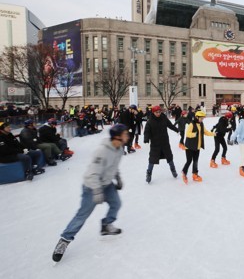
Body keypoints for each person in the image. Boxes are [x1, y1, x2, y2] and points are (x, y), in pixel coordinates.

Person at [52, 124, 129, 262]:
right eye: (125, 134)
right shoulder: (102, 151)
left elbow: (114, 166)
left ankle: (106, 225)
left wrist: (118, 178)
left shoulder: (119, 149)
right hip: (91, 186)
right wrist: (97, 191)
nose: (127, 136)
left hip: (107, 184)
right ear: (117, 136)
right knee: (82, 215)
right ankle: (64, 240)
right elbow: (93, 174)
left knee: (116, 204)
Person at [143, 105, 179, 183]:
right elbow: (147, 131)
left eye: (159, 112)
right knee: (152, 159)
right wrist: (146, 139)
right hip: (155, 144)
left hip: (165, 142)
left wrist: (177, 130)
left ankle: (173, 170)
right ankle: (149, 173)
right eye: (157, 112)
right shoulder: (150, 121)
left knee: (169, 158)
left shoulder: (164, 118)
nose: (158, 113)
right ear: (153, 112)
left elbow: (170, 125)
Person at [181, 111, 214, 184]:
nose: (202, 120)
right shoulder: (191, 124)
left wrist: (213, 134)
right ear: (197, 117)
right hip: (189, 146)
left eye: (203, 118)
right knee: (189, 161)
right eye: (201, 118)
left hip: (197, 146)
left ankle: (195, 174)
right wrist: (194, 134)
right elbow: (187, 134)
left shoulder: (201, 124)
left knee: (195, 161)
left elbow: (206, 132)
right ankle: (184, 172)